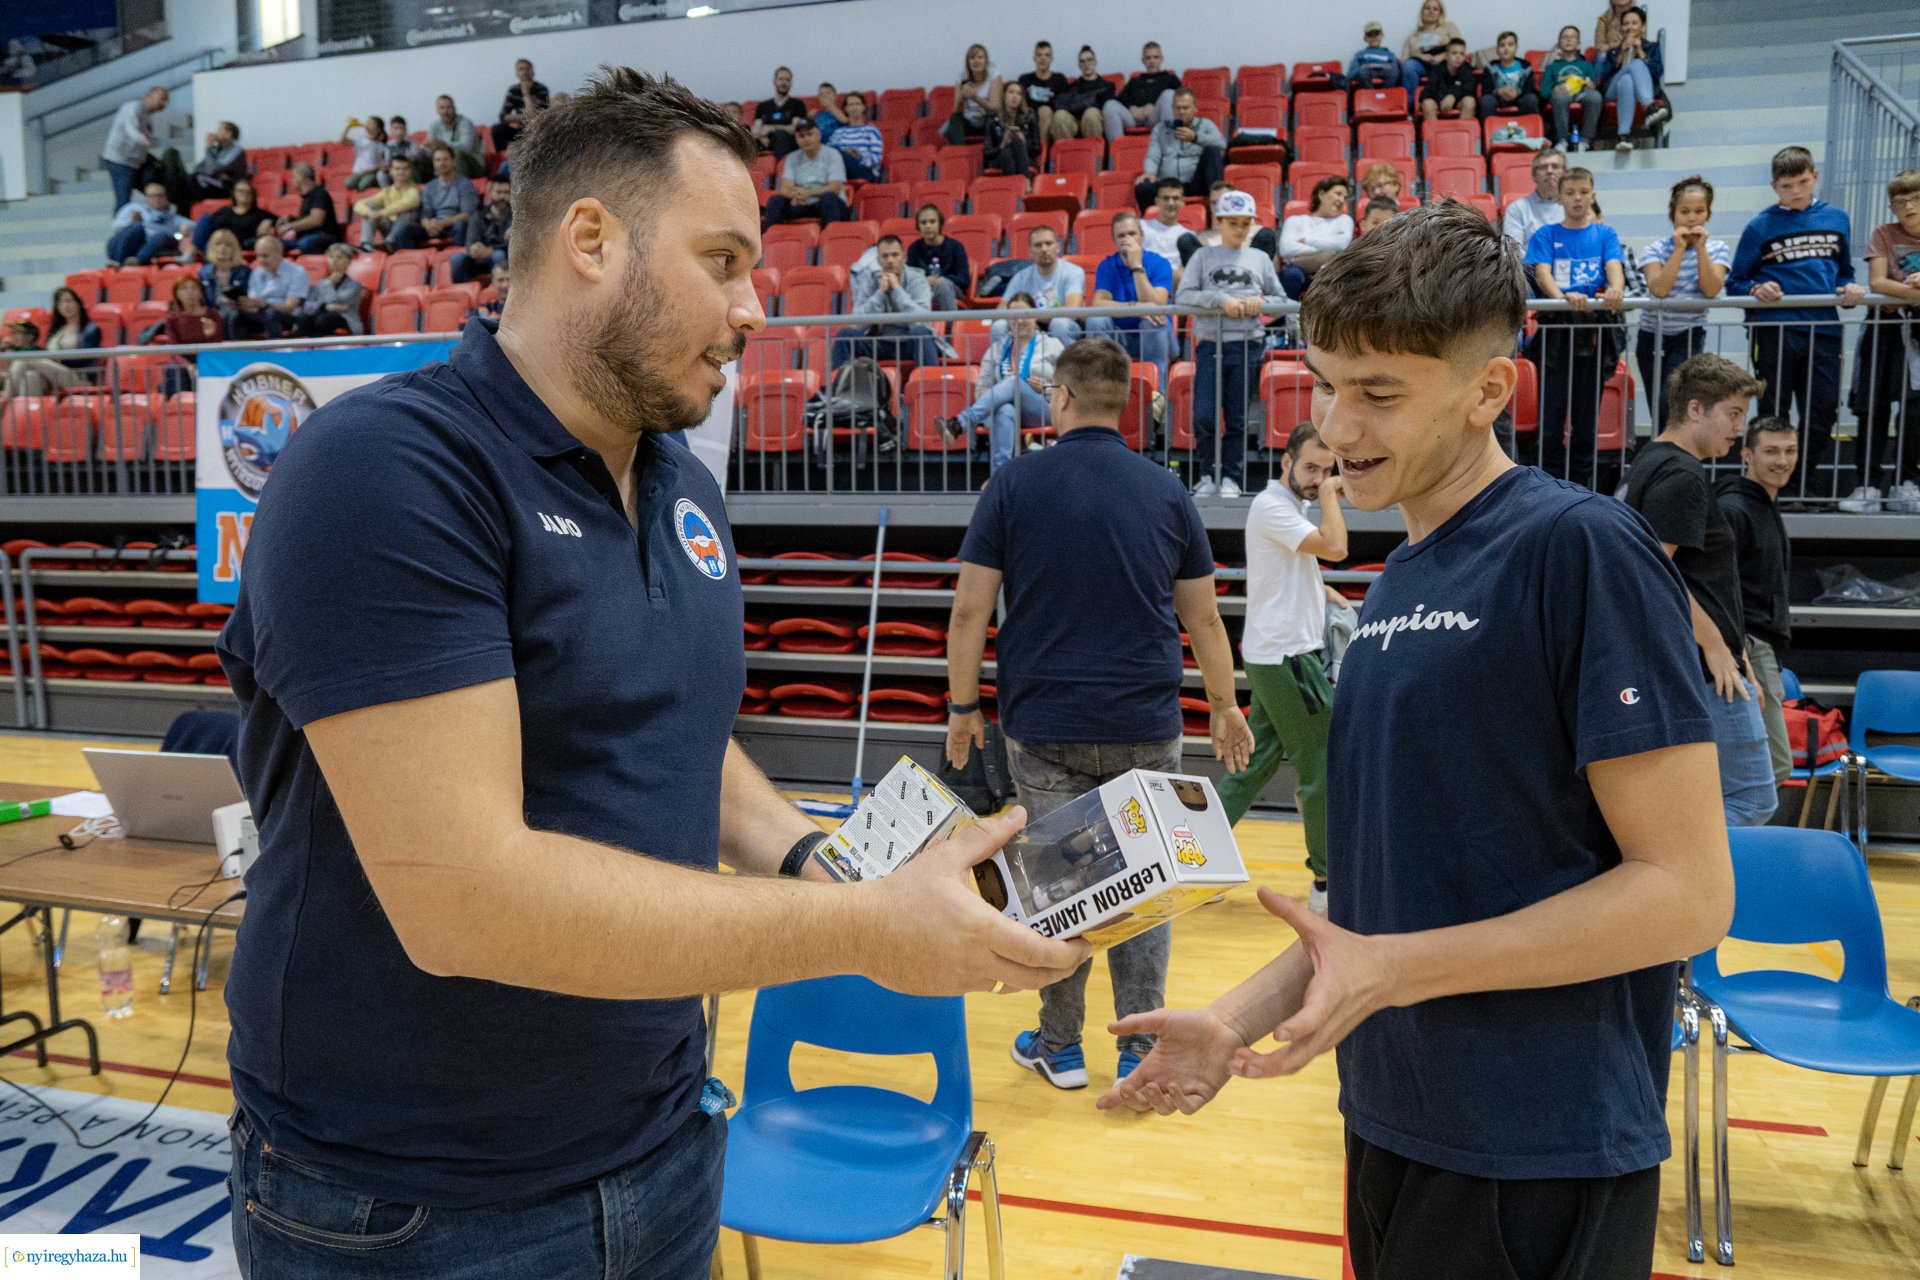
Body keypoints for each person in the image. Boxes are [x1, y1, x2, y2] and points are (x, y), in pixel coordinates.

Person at [219, 69, 1086, 1280]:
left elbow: (667, 726)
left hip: (668, 1141)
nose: (756, 307)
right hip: (416, 1204)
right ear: (591, 240)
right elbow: (468, 896)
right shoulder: (385, 472)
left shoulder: (680, 484)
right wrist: (861, 926)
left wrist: (819, 858)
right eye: (724, 260)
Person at [1099, 203, 1733, 1280]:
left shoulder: (1579, 548)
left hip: (1538, 1146)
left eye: (1379, 392)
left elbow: (1687, 893)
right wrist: (1234, 1015)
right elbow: (1396, 894)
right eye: (1328, 386)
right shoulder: (1397, 579)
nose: (1339, 430)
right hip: (1391, 1114)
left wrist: (1392, 971)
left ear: (1490, 390)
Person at [946, 336, 1252, 1091]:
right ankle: (1139, 1045)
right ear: (1126, 407)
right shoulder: (1167, 490)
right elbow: (1205, 621)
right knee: (1146, 888)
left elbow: (968, 612)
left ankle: (1060, 1045)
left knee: (1059, 887)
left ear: (1059, 399)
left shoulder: (1014, 485)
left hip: (1044, 724)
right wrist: (1225, 705)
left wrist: (961, 707)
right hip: (1145, 722)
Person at [1623, 353, 1777, 825]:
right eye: (1732, 415)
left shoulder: (1652, 460)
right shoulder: (1681, 475)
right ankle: (1692, 892)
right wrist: (1714, 645)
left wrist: (1738, 649)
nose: (1739, 429)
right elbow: (1649, 576)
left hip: (1705, 664)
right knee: (1752, 800)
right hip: (1705, 671)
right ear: (1694, 410)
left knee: (1704, 798)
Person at [1215, 422, 1346, 913]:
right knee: (1323, 767)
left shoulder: (1289, 507)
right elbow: (1335, 547)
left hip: (1275, 655)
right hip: (1289, 660)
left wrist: (1321, 590)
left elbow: (1295, 565)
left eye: (1327, 470)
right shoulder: (1273, 505)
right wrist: (1334, 493)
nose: (1319, 478)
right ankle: (1326, 884)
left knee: (1251, 762)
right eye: (1312, 467)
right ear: (1286, 461)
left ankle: (1198, 864)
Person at [1727, 146, 1867, 504]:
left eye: (1803, 182)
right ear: (1775, 186)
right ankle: (1772, 487)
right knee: (1774, 409)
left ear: (1815, 177)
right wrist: (1757, 288)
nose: (1796, 191)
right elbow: (1736, 281)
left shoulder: (1837, 218)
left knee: (1823, 409)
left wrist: (1848, 286)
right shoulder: (1760, 225)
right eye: (1787, 185)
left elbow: (1844, 271)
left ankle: (1799, 482)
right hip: (1775, 329)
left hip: (1824, 329)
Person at [1178, 190, 1286, 499]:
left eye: (1245, 223)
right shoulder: (1202, 256)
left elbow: (1280, 301)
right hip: (1211, 344)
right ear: (1219, 222)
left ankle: (1231, 477)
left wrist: (1261, 303)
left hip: (1247, 345)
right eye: (1233, 223)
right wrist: (1218, 300)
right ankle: (1207, 473)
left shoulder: (1261, 258)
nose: (1239, 229)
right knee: (1205, 415)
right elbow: (1184, 297)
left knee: (1238, 417)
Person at [1525, 166, 1623, 485]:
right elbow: (1542, 274)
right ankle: (1548, 490)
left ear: (1592, 195)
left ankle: (1583, 491)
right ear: (1559, 197)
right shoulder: (1545, 235)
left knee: (1585, 423)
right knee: (1551, 422)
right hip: (1557, 335)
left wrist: (1615, 289)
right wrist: (1563, 299)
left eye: (1583, 192)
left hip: (1591, 335)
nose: (1577, 198)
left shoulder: (1605, 234)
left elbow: (1614, 269)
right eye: (1570, 193)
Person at [1715, 418, 1797, 787]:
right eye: (1771, 451)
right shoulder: (1735, 509)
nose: (1782, 460)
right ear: (1747, 454)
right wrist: (1745, 661)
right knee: (1770, 770)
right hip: (1747, 647)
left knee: (1760, 773)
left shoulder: (1766, 503)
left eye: (1790, 451)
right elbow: (1718, 588)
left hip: (1766, 650)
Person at [1636, 175, 1729, 434]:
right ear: (1672, 214)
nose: (1692, 218)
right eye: (1685, 211)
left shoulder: (1718, 248)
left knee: (1673, 399)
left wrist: (1700, 249)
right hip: (1651, 334)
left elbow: (1712, 289)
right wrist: (1678, 250)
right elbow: (1659, 288)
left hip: (1688, 333)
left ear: (1708, 214)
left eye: (1699, 211)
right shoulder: (1656, 248)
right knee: (1658, 405)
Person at [936, 294, 1061, 470]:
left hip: (1042, 408)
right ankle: (999, 477)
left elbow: (1068, 385)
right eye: (1012, 316)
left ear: (1034, 316)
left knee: (1013, 383)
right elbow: (982, 386)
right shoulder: (997, 348)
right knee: (1004, 409)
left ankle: (962, 422)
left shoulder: (1052, 345)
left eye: (1023, 315)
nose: (1017, 320)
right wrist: (997, 397)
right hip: (1007, 411)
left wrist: (1046, 387)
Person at [1857, 170, 1920, 513]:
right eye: (1900, 201)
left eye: (1915, 198)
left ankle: (1907, 482)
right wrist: (1913, 291)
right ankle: (1866, 484)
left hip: (1917, 334)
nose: (1908, 206)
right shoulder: (1883, 234)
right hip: (1884, 329)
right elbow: (1878, 283)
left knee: (1914, 410)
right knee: (1872, 405)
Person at [1087, 210, 1175, 387]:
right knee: (1096, 320)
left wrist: (1137, 267)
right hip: (1121, 336)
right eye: (1121, 235)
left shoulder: (1159, 263)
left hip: (1158, 335)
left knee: (1153, 322)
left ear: (1141, 236)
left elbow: (1157, 305)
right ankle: (1104, 387)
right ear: (1115, 241)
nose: (1127, 239)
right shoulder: (1107, 265)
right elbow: (1098, 303)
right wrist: (1137, 308)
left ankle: (1157, 397)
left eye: (1132, 233)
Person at [829, 234, 940, 368]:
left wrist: (897, 290)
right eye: (885, 256)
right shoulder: (870, 280)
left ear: (904, 257)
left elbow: (923, 320)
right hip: (879, 344)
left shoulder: (918, 279)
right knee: (845, 335)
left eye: (895, 255)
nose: (890, 260)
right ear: (878, 260)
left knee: (921, 332)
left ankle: (931, 385)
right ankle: (839, 386)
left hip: (909, 342)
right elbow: (857, 323)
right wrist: (880, 293)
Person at [1134, 88, 1225, 213]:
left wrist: (1196, 138)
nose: (1181, 112)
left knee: (1212, 151)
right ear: (1173, 109)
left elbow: (1222, 144)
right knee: (1143, 187)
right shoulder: (1160, 128)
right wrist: (1150, 172)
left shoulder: (1206, 125)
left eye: (1186, 108)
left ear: (1195, 108)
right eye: (1178, 108)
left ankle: (1218, 212)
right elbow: (1152, 156)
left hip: (1195, 183)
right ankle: (1153, 224)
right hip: (1168, 184)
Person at [1596, 7, 1667, 153]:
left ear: (1642, 27)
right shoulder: (1613, 50)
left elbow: (1657, 73)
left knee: (1627, 81)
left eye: (1634, 23)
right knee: (1633, 68)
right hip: (1611, 92)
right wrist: (1620, 52)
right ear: (1621, 28)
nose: (1630, 27)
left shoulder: (1652, 48)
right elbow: (1602, 76)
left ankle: (1623, 136)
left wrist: (1640, 51)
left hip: (1633, 90)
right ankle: (1650, 107)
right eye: (1626, 24)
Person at [1000, 225, 1085, 344]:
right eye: (1038, 245)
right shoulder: (1021, 277)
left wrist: (1030, 317)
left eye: (1049, 243)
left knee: (1059, 323)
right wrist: (1030, 321)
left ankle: (1065, 362)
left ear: (1058, 248)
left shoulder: (1074, 271)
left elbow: (1072, 311)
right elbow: (1001, 310)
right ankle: (1007, 362)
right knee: (999, 326)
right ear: (1030, 252)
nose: (1044, 249)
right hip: (1029, 325)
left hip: (1064, 326)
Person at [761, 119, 847, 229]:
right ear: (796, 139)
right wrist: (796, 195)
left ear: (818, 135)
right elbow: (785, 189)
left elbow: (835, 187)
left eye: (809, 134)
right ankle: (774, 238)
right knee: (775, 201)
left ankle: (828, 239)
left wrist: (809, 193)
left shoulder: (833, 154)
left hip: (827, 203)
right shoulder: (792, 157)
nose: (806, 139)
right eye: (801, 136)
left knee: (829, 198)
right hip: (801, 202)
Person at [1279, 176, 1355, 300]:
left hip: (1330, 268)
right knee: (1292, 275)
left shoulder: (1344, 220)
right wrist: (1326, 253)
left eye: (1344, 198)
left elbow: (1342, 244)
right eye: (1338, 194)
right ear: (1321, 194)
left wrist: (1306, 240)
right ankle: (1289, 317)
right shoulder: (1295, 221)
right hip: (1298, 269)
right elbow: (1286, 249)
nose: (1341, 200)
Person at [1176, 180, 1280, 267]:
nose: (1217, 206)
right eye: (1214, 202)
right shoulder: (1202, 239)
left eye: (1222, 200)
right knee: (1185, 241)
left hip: (1248, 280)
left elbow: (1273, 268)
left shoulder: (1259, 233)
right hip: (1213, 284)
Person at [101, 86, 168, 213]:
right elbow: (131, 129)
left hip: (137, 160)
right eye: (162, 99)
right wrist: (143, 139)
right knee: (123, 201)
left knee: (158, 184)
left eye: (166, 101)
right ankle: (122, 230)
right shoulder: (132, 108)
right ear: (148, 96)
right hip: (120, 161)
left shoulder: (147, 114)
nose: (164, 104)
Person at [230, 233, 310, 340]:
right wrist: (244, 303)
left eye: (265, 256)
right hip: (261, 314)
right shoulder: (257, 273)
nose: (261, 260)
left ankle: (275, 352)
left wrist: (266, 304)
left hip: (288, 316)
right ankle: (240, 353)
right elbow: (254, 301)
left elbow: (290, 307)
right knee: (236, 316)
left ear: (279, 253)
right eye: (258, 256)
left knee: (270, 314)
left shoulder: (297, 272)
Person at [163, 120, 247, 213]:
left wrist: (209, 147)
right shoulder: (216, 150)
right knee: (176, 177)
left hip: (224, 189)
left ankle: (176, 209)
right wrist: (215, 171)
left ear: (229, 134)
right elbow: (199, 168)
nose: (215, 133)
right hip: (209, 183)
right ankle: (180, 210)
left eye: (219, 130)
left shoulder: (236, 151)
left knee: (187, 183)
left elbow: (211, 170)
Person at [1105, 41, 1180, 140]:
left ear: (1161, 59)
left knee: (1169, 95)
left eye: (1155, 57)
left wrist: (1153, 107)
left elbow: (1182, 101)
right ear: (1143, 60)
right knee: (1110, 104)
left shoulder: (1171, 78)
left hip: (1156, 117)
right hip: (1133, 118)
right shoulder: (1134, 80)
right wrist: (1131, 108)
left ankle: (1170, 149)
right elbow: (1121, 99)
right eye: (1148, 58)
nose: (1152, 61)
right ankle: (1115, 152)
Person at [1543, 25, 1602, 149]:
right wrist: (1554, 90)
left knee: (1595, 96)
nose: (1569, 40)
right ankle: (1562, 140)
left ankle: (1585, 140)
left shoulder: (1587, 65)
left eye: (1572, 37)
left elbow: (1593, 86)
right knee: (1560, 97)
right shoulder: (1552, 67)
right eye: (1565, 37)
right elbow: (1544, 92)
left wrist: (1590, 86)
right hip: (1562, 95)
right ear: (1559, 45)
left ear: (1578, 44)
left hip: (1581, 94)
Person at [188, 176, 277, 258]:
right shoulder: (224, 211)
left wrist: (270, 221)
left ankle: (193, 256)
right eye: (241, 191)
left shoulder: (259, 214)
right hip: (217, 243)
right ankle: (192, 254)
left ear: (253, 195)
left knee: (212, 246)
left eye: (248, 191)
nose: (244, 194)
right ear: (234, 193)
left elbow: (278, 219)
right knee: (206, 218)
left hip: (237, 245)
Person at [906, 203, 970, 312]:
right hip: (924, 289)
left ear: (940, 223)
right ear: (918, 226)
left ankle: (950, 328)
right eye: (923, 223)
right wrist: (924, 280)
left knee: (943, 285)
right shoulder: (914, 248)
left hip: (952, 290)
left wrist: (943, 279)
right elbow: (909, 278)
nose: (928, 226)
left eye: (932, 221)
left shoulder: (955, 247)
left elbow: (964, 279)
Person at [107, 181, 188, 266]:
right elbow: (115, 227)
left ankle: (136, 261)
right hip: (129, 243)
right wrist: (131, 222)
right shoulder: (133, 208)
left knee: (161, 236)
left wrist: (184, 230)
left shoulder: (172, 217)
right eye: (153, 196)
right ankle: (115, 262)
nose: (157, 199)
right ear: (146, 197)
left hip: (150, 247)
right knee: (137, 227)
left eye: (160, 195)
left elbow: (193, 225)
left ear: (166, 197)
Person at [353, 155, 425, 251]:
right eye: (397, 169)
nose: (401, 172)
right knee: (370, 207)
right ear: (390, 171)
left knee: (409, 209)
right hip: (389, 228)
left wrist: (381, 213)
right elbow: (358, 204)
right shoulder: (387, 191)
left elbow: (411, 202)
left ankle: (390, 242)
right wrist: (369, 212)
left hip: (406, 231)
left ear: (410, 171)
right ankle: (366, 246)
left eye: (405, 169)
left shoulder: (414, 189)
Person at [452, 174, 512, 285]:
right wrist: (474, 249)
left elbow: (516, 246)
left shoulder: (518, 217)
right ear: (490, 193)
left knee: (498, 255)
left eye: (506, 193)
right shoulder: (478, 215)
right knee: (457, 258)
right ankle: (463, 292)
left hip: (506, 260)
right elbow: (470, 243)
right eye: (498, 192)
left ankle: (498, 291)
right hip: (480, 259)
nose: (502, 197)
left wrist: (490, 250)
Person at [295, 243, 366, 337]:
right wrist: (324, 307)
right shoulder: (321, 283)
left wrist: (330, 284)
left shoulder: (355, 285)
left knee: (323, 319)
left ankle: (321, 349)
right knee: (304, 318)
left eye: (339, 257)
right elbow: (308, 305)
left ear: (349, 261)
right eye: (331, 257)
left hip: (346, 319)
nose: (334, 261)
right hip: (321, 315)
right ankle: (304, 349)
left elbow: (334, 301)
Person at [1399, 0, 1464, 100]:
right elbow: (1404, 60)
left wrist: (1443, 56)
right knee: (1408, 66)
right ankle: (1411, 106)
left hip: (1444, 64)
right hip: (1422, 65)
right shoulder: (1413, 36)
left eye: (1435, 9)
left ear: (1440, 14)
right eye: (1427, 8)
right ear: (1422, 12)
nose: (1431, 11)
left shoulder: (1448, 27)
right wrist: (1420, 56)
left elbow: (1459, 47)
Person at [1502, 148, 1565, 250]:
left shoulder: (1575, 206)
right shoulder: (1517, 208)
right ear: (1534, 175)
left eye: (1555, 166)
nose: (1550, 171)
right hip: (1531, 265)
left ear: (1564, 173)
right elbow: (1512, 251)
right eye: (1543, 167)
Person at [943, 44, 1005, 145]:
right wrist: (962, 98)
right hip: (969, 120)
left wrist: (974, 97)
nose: (976, 61)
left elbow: (995, 108)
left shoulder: (994, 74)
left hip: (987, 120)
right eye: (972, 58)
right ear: (968, 62)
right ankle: (959, 153)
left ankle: (992, 153)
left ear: (986, 61)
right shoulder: (962, 76)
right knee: (955, 118)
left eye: (980, 57)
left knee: (992, 116)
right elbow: (956, 110)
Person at [1049, 47, 1116, 142]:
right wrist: (1092, 98)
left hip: (1094, 122)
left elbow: (1105, 108)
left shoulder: (1107, 86)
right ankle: (1066, 154)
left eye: (1089, 60)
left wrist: (1076, 102)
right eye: (1082, 61)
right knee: (1060, 115)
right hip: (1074, 122)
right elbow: (1060, 104)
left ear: (1095, 62)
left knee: (1091, 113)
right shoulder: (1072, 86)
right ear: (1079, 65)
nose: (1086, 64)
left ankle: (1093, 154)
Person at [279, 163, 345, 256]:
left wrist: (290, 226)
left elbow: (316, 220)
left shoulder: (318, 193)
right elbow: (308, 219)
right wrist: (291, 219)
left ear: (302, 176)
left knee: (305, 243)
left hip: (324, 236)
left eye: (294, 176)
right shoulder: (307, 197)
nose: (292, 180)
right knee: (274, 244)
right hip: (308, 237)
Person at [420, 143, 481, 244]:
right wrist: (428, 225)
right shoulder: (429, 186)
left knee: (461, 225)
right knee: (406, 230)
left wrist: (442, 223)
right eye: (437, 160)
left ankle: (458, 255)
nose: (441, 163)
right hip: (435, 226)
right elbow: (425, 214)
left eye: (445, 159)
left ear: (454, 162)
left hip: (454, 225)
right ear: (433, 163)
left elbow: (467, 214)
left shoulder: (465, 184)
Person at [0, 320, 77, 397]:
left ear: (30, 337)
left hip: (43, 384)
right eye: (13, 333)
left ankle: (6, 402)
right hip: (22, 385)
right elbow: (10, 373)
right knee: (30, 375)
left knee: (28, 372)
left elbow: (10, 374)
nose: (13, 336)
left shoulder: (34, 351)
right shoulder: (13, 351)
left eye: (17, 333)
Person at [1480, 31, 1541, 120]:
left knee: (1531, 99)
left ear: (1516, 48)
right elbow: (1486, 89)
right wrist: (1499, 91)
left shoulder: (1525, 66)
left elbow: (1529, 88)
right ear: (1497, 50)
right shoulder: (1490, 67)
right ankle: (1488, 131)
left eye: (1510, 44)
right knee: (1486, 100)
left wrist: (1516, 92)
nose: (1506, 48)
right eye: (1502, 45)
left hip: (1519, 97)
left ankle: (1530, 130)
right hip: (1498, 98)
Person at [985, 82, 1040, 178]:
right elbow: (987, 153)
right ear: (1004, 95)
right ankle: (1025, 184)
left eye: (1019, 94)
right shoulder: (992, 117)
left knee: (1016, 143)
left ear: (1022, 98)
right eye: (1011, 92)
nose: (1015, 96)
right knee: (1006, 153)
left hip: (1025, 158)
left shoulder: (1029, 115)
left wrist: (1024, 142)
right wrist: (1002, 145)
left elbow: (1037, 149)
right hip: (999, 159)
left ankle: (1012, 188)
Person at [494, 58, 549, 153]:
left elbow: (536, 117)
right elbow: (503, 116)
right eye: (521, 69)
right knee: (497, 129)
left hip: (538, 129)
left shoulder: (542, 89)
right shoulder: (513, 90)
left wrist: (526, 93)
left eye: (527, 69)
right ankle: (503, 158)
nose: (524, 72)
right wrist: (522, 117)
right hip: (519, 128)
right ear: (516, 73)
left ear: (533, 72)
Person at [200, 229, 253, 327]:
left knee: (232, 316)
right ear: (212, 248)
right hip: (212, 314)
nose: (222, 248)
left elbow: (249, 297)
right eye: (218, 244)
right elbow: (203, 302)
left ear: (234, 249)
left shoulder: (244, 272)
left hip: (239, 314)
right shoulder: (203, 273)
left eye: (228, 245)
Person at [1019, 40, 1071, 140]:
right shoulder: (1025, 79)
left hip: (1053, 122)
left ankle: (1042, 150)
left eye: (1047, 55)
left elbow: (1063, 105)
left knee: (1045, 110)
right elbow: (1020, 104)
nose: (1043, 58)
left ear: (1051, 58)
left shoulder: (1059, 79)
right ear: (1034, 58)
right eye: (1039, 55)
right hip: (1030, 120)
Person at [752, 66, 806, 160]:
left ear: (791, 83)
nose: (784, 83)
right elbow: (757, 127)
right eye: (780, 79)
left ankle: (781, 172)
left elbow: (796, 129)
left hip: (786, 141)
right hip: (764, 140)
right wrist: (761, 137)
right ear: (775, 81)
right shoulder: (763, 106)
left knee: (780, 135)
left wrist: (774, 128)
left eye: (787, 80)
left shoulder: (797, 104)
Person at [154, 274, 224, 346]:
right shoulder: (172, 319)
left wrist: (211, 336)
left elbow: (218, 346)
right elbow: (174, 350)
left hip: (208, 356)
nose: (189, 291)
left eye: (194, 288)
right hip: (183, 356)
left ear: (201, 293)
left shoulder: (213, 315)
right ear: (176, 294)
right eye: (184, 288)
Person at [828, 92, 883, 182]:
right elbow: (827, 153)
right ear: (846, 109)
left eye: (858, 104)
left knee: (838, 153)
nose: (854, 107)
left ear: (863, 107)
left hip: (864, 172)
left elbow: (876, 160)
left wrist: (858, 155)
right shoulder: (839, 132)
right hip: (840, 169)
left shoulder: (871, 130)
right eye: (851, 105)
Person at [1420, 38, 1479, 122]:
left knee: (1470, 101)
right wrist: (1442, 100)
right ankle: (1433, 133)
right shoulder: (1437, 70)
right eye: (1454, 53)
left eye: (1461, 54)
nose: (1458, 57)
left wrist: (1453, 97)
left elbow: (1469, 91)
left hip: (1458, 102)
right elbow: (1426, 94)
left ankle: (1463, 133)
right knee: (1427, 103)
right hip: (1439, 102)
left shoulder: (1468, 71)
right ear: (1446, 56)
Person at [1141, 178, 1190, 275]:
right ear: (1157, 201)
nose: (1171, 203)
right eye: (1166, 198)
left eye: (1175, 198)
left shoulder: (1188, 236)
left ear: (1182, 202)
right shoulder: (1141, 227)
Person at [429, 95, 485, 177]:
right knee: (416, 160)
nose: (445, 111)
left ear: (454, 109)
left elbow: (466, 147)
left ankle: (459, 187)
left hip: (473, 165)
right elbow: (431, 148)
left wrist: (442, 144)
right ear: (437, 111)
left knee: (457, 154)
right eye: (442, 108)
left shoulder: (465, 123)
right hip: (445, 163)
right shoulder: (434, 126)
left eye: (448, 107)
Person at [45, 287, 102, 357]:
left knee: (31, 361)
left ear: (78, 304)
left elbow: (87, 359)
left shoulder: (91, 329)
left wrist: (59, 360)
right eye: (60, 303)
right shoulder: (56, 328)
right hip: (51, 365)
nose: (65, 306)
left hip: (74, 367)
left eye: (69, 301)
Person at [340, 115, 389, 190]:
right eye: (367, 122)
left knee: (363, 185)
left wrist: (367, 171)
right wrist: (349, 126)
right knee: (349, 184)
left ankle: (376, 182)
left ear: (378, 130)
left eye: (371, 124)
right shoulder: (360, 140)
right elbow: (342, 140)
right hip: (358, 173)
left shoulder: (379, 145)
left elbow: (380, 165)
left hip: (370, 173)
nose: (367, 125)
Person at [1349, 21, 1401, 90]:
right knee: (1361, 72)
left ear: (1382, 35)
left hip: (1385, 71)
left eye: (1376, 34)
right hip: (1367, 71)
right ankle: (1371, 95)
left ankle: (1384, 93)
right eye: (1370, 35)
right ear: (1365, 38)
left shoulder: (1389, 53)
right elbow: (1352, 73)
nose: (1374, 37)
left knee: (1394, 71)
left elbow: (1395, 68)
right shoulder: (1360, 54)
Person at [384, 115, 427, 183]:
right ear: (391, 131)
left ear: (405, 130)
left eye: (401, 128)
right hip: (395, 171)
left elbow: (415, 156)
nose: (399, 131)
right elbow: (387, 161)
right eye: (396, 128)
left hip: (408, 170)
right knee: (381, 174)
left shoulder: (411, 143)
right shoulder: (388, 145)